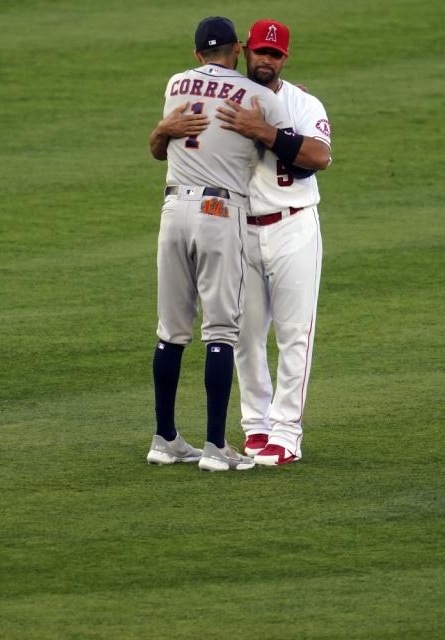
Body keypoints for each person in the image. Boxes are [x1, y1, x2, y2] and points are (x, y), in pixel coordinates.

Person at [144, 16, 289, 472]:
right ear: (238, 49)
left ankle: (164, 438)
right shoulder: (260, 97)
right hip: (218, 214)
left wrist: (166, 129)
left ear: (196, 55)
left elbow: (159, 146)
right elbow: (290, 151)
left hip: (172, 213)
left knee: (171, 331)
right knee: (222, 331)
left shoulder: (175, 84)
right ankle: (214, 446)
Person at [214, 19, 332, 466]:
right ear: (245, 50)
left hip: (293, 226)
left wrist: (263, 131)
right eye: (261, 51)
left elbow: (318, 157)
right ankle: (257, 426)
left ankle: (287, 433)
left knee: (294, 334)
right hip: (240, 228)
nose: (266, 60)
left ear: (285, 59)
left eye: (275, 54)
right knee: (245, 334)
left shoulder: (302, 102)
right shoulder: (226, 101)